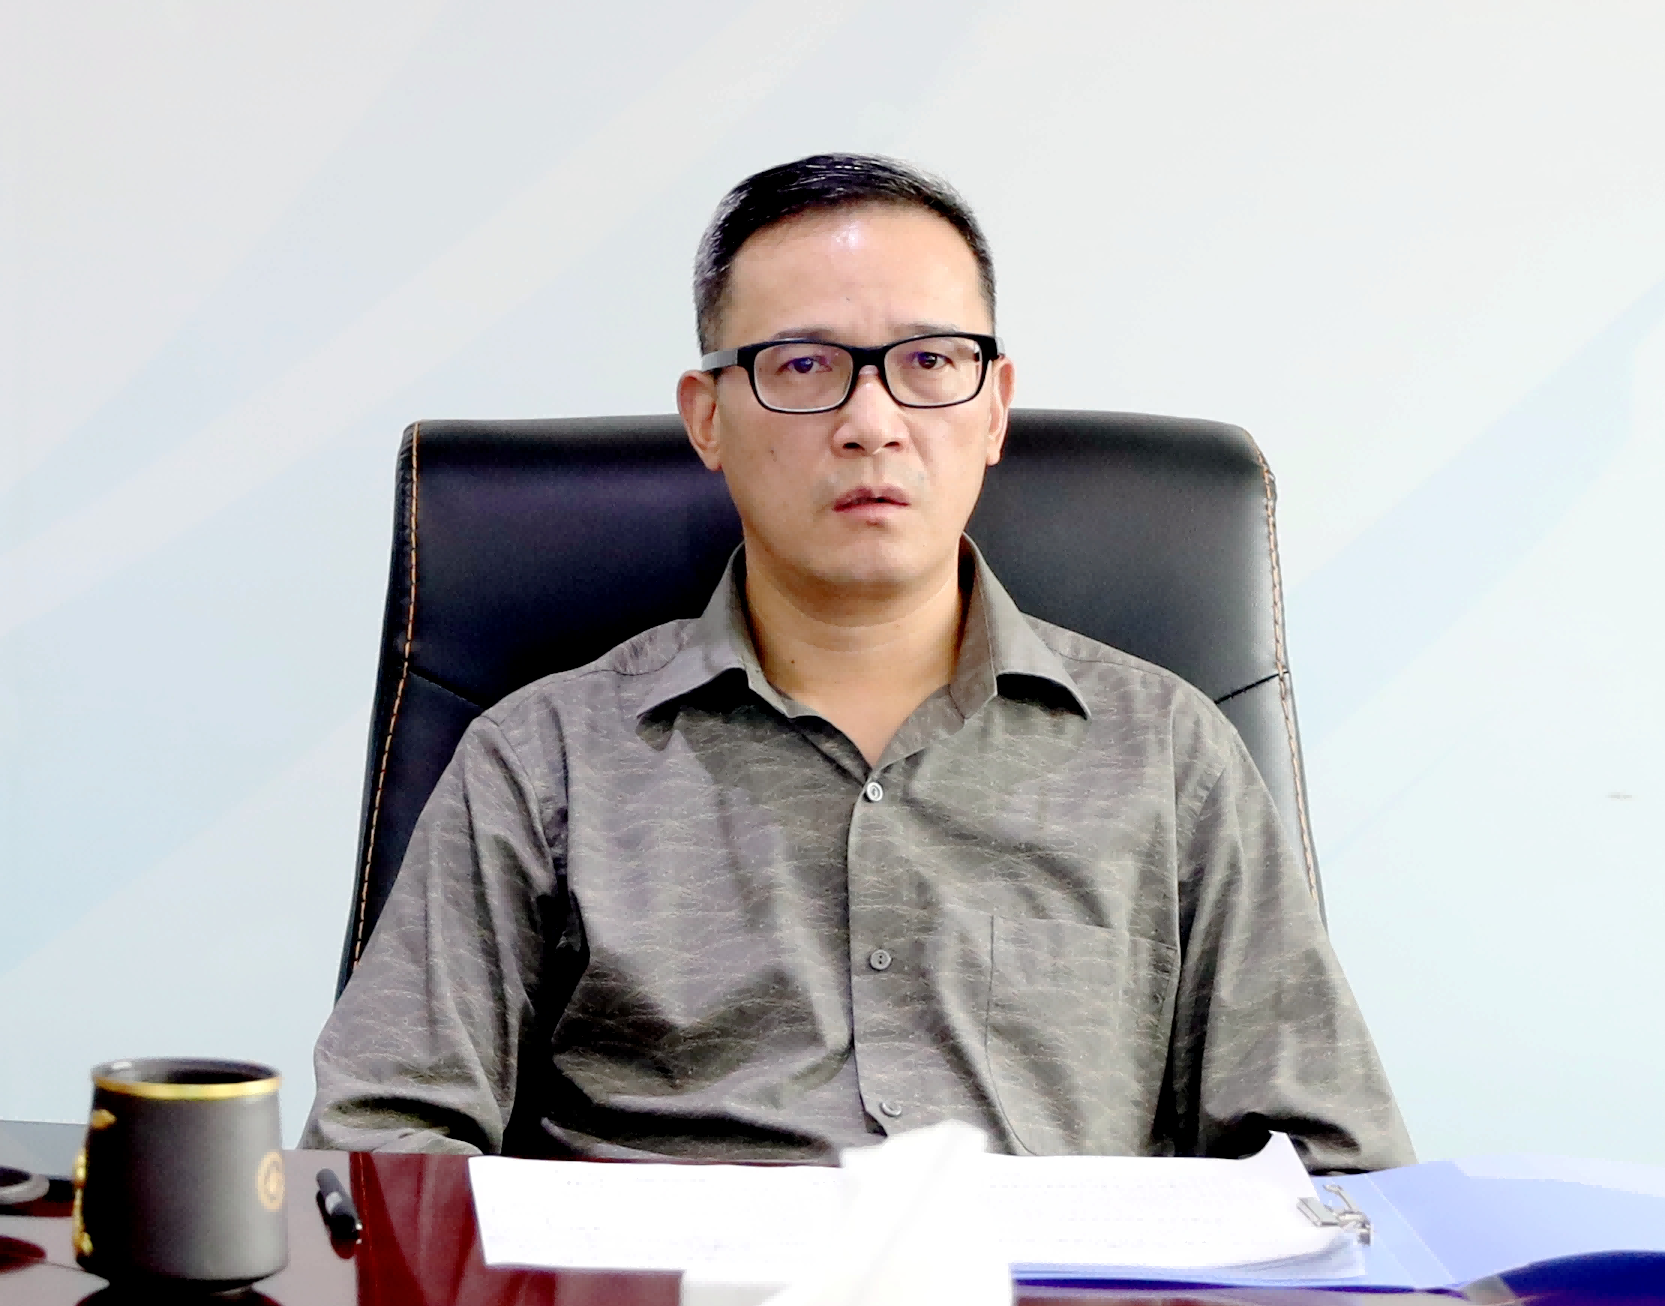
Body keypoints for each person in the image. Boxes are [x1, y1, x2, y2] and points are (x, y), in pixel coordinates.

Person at [304, 154, 1413, 1172]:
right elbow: (378, 1150)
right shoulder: (542, 759)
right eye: (804, 365)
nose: (872, 421)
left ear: (994, 409)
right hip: (665, 1305)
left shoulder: (1167, 753)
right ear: (708, 418)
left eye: (929, 362)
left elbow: (1335, 1170)